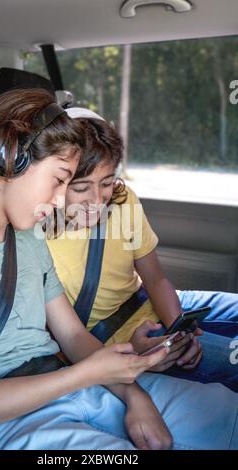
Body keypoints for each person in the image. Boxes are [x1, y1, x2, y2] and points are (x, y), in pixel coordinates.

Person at [0, 89, 237, 451]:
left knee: (221, 414)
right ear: (10, 158)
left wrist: (135, 395)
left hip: (66, 382)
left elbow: (74, 336)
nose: (64, 201)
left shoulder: (27, 238)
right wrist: (89, 374)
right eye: (60, 179)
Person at [46, 107, 238, 393]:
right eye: (82, 187)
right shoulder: (37, 236)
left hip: (150, 304)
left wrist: (178, 329)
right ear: (58, 182)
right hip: (111, 341)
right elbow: (63, 337)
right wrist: (132, 354)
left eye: (107, 182)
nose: (97, 200)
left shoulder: (123, 202)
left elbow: (155, 278)